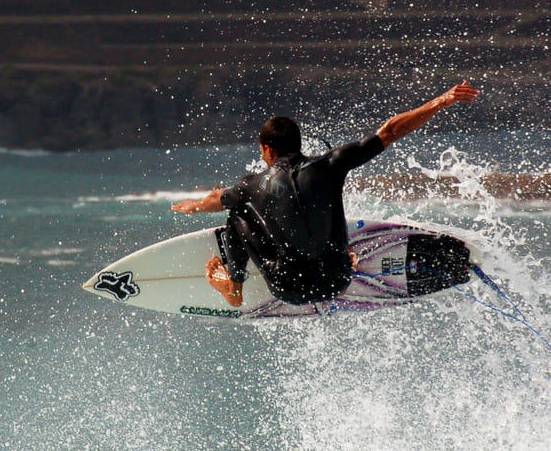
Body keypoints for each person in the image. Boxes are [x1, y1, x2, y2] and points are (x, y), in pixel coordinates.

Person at [171, 82, 480, 307]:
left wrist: (195, 206)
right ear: (299, 143)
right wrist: (441, 100)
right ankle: (345, 259)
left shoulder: (251, 185)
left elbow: (218, 199)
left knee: (237, 212)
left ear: (267, 149)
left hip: (287, 289)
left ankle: (233, 288)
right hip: (337, 281)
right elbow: (389, 131)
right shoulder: (331, 164)